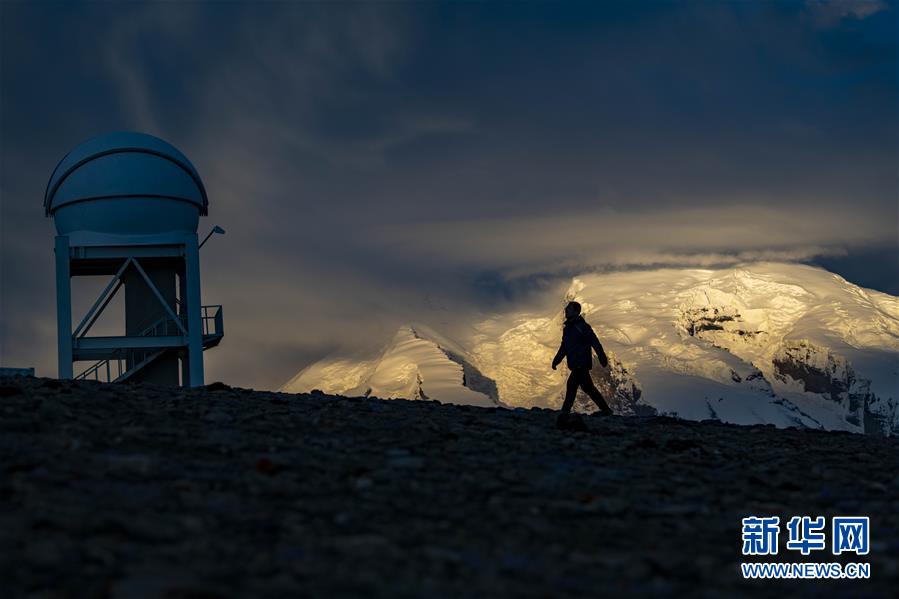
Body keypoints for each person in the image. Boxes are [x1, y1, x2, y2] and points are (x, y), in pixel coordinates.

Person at [551, 300, 613, 428]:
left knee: (571, 386)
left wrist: (602, 357)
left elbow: (595, 342)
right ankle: (606, 410)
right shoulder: (568, 329)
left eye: (568, 309)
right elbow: (564, 347)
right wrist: (556, 360)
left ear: (576, 311)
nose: (566, 311)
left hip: (581, 364)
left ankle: (564, 413)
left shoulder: (583, 327)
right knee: (588, 388)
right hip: (576, 364)